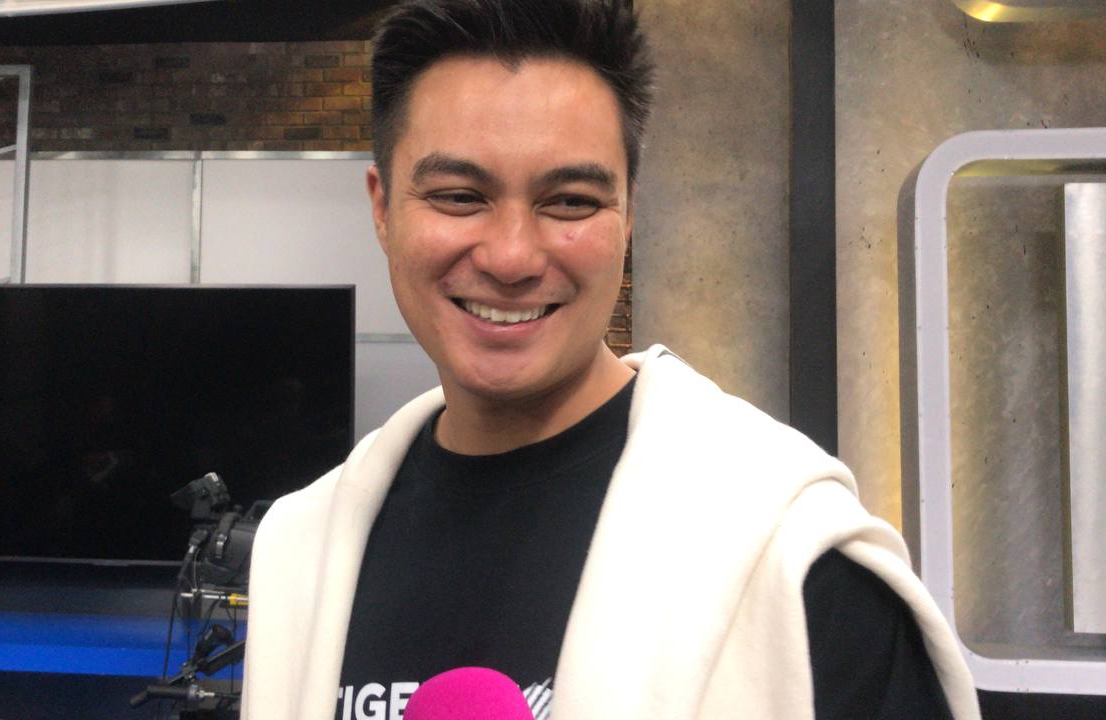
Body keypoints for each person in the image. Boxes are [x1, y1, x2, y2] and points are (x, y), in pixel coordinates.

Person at [241, 1, 980, 718]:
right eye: (460, 196)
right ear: (382, 209)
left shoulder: (789, 560)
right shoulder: (302, 551)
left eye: (569, 202)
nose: (511, 257)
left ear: (628, 214)